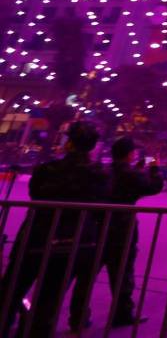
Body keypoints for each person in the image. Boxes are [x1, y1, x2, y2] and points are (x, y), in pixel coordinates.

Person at [1, 121, 110, 337]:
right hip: (71, 242)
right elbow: (101, 204)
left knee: (11, 289)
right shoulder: (98, 175)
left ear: (68, 142)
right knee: (48, 298)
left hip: (36, 234)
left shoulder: (46, 169)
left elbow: (35, 194)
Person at [68, 136, 164, 328]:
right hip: (121, 229)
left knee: (86, 274)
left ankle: (78, 317)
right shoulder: (131, 175)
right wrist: (154, 168)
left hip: (97, 227)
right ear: (130, 154)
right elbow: (153, 187)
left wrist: (137, 167)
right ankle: (122, 313)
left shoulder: (105, 171)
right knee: (122, 273)